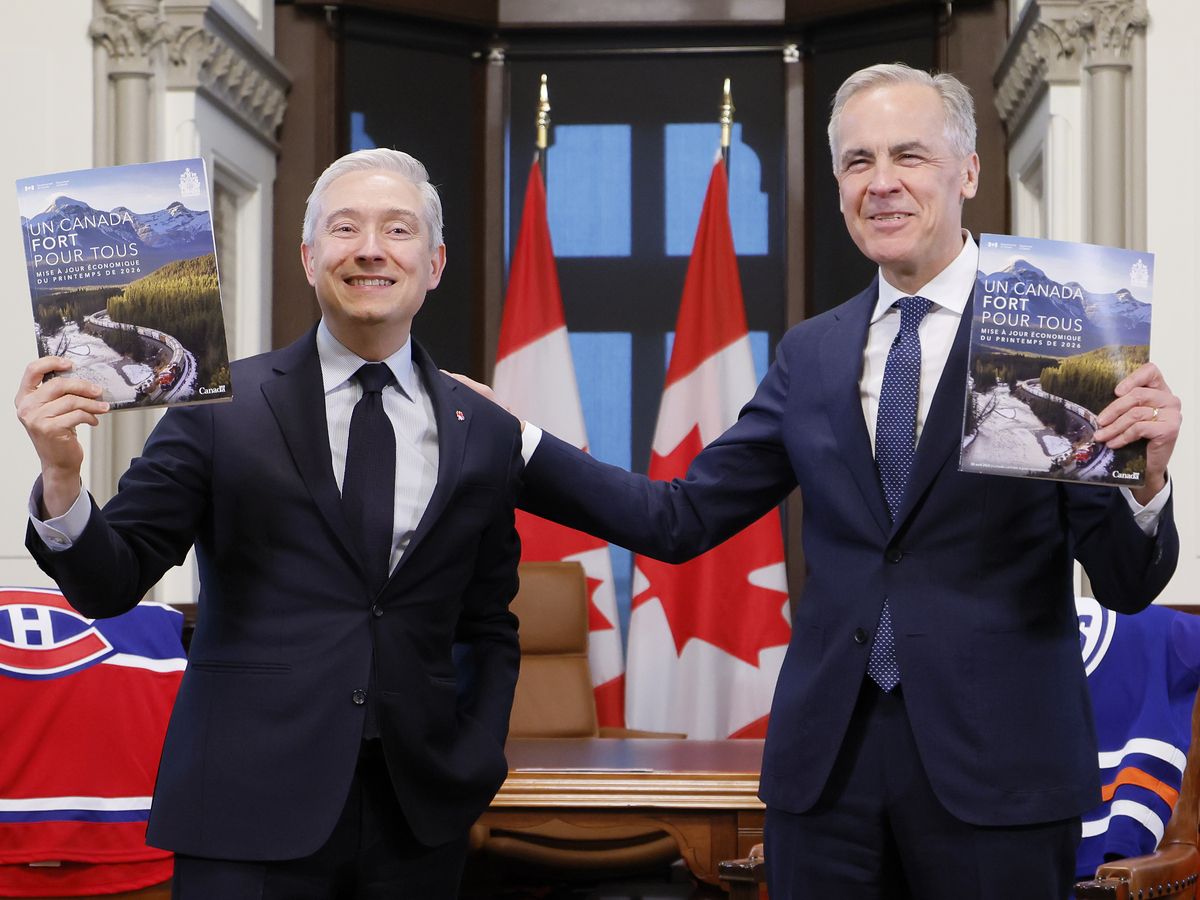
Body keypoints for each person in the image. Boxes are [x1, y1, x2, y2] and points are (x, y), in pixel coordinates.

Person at [457, 63, 1182, 897]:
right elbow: (681, 518)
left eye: (909, 156)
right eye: (857, 162)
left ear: (969, 172)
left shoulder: (1060, 327)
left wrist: (1145, 482)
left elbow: (1128, 584)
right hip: (826, 779)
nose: (882, 184)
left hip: (1001, 778)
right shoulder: (812, 353)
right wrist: (521, 445)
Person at [15, 148, 523, 899]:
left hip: (418, 820)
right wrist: (61, 476)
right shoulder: (219, 406)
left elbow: (488, 620)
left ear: (435, 261)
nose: (371, 249)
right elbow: (111, 582)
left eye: (398, 230)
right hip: (242, 809)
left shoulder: (481, 424)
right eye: (346, 228)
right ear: (309, 257)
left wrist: (475, 754)